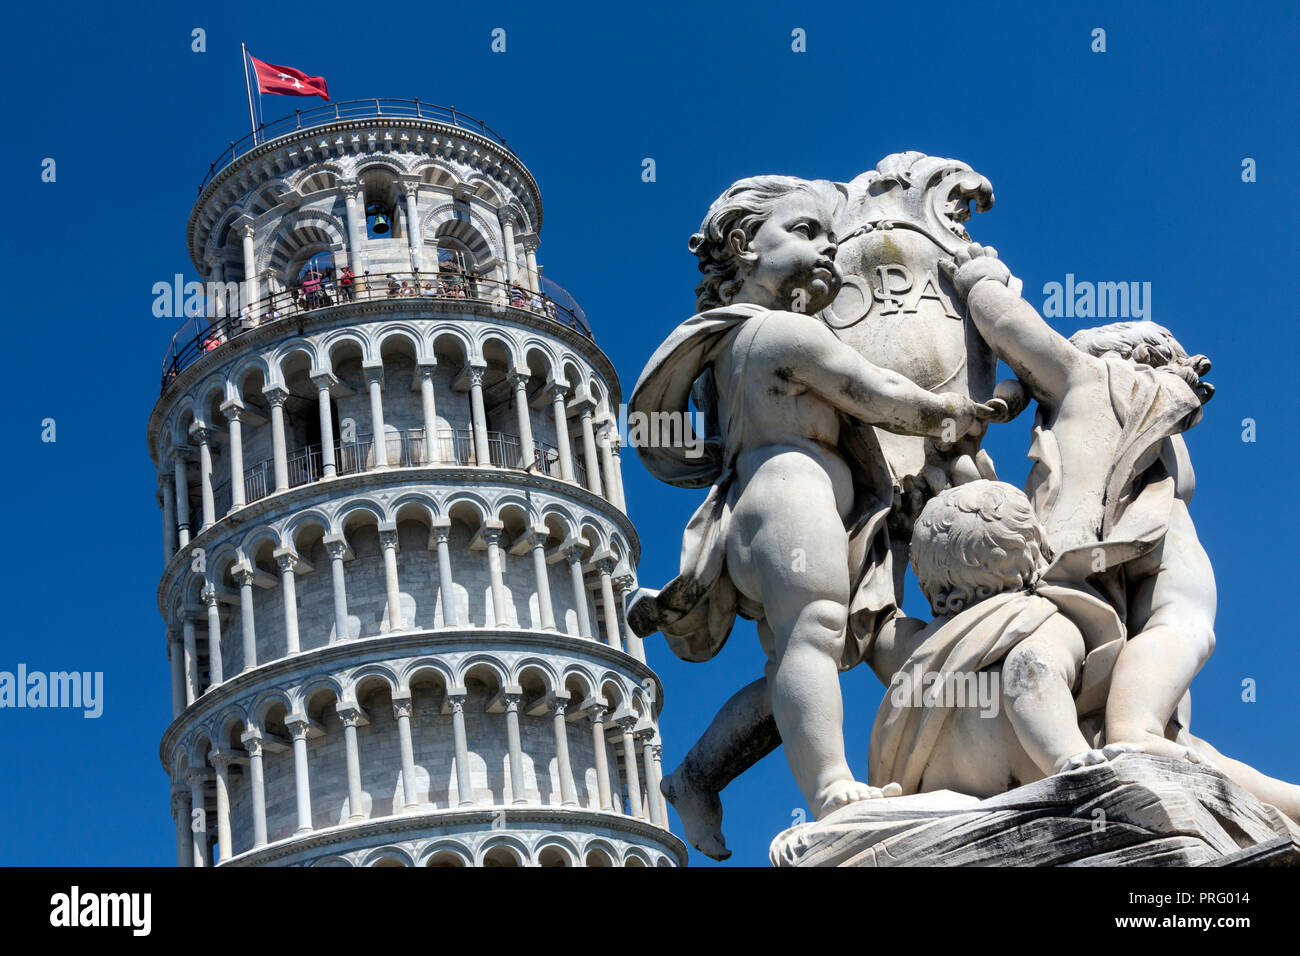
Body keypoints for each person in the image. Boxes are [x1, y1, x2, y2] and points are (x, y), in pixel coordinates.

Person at [628, 175, 991, 833]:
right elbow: (870, 388)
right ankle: (829, 788)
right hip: (789, 494)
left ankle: (696, 777)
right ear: (742, 246)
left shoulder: (730, 342)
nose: (827, 249)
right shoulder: (780, 334)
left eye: (831, 235)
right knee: (813, 639)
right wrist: (947, 410)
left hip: (785, 504)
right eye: (805, 232)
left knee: (801, 660)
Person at [941, 245, 1215, 763]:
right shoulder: (1166, 417)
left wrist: (980, 279)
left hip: (1082, 555)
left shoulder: (1087, 378)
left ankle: (1133, 730)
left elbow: (1011, 326)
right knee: (1178, 627)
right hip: (1169, 553)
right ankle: (1142, 726)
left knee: (1103, 656)